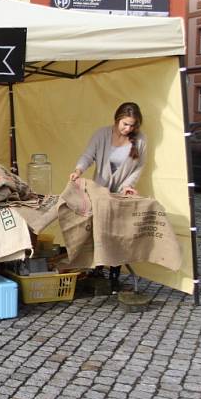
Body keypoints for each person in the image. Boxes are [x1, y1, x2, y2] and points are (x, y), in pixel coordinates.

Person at [69, 102, 146, 293]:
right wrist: (78, 170)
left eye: (132, 125)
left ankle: (114, 274)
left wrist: (128, 186)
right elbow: (88, 155)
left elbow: (138, 167)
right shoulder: (102, 134)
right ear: (117, 119)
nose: (128, 129)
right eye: (125, 124)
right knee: (98, 230)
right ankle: (96, 271)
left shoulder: (141, 140)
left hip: (121, 193)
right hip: (100, 191)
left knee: (119, 233)